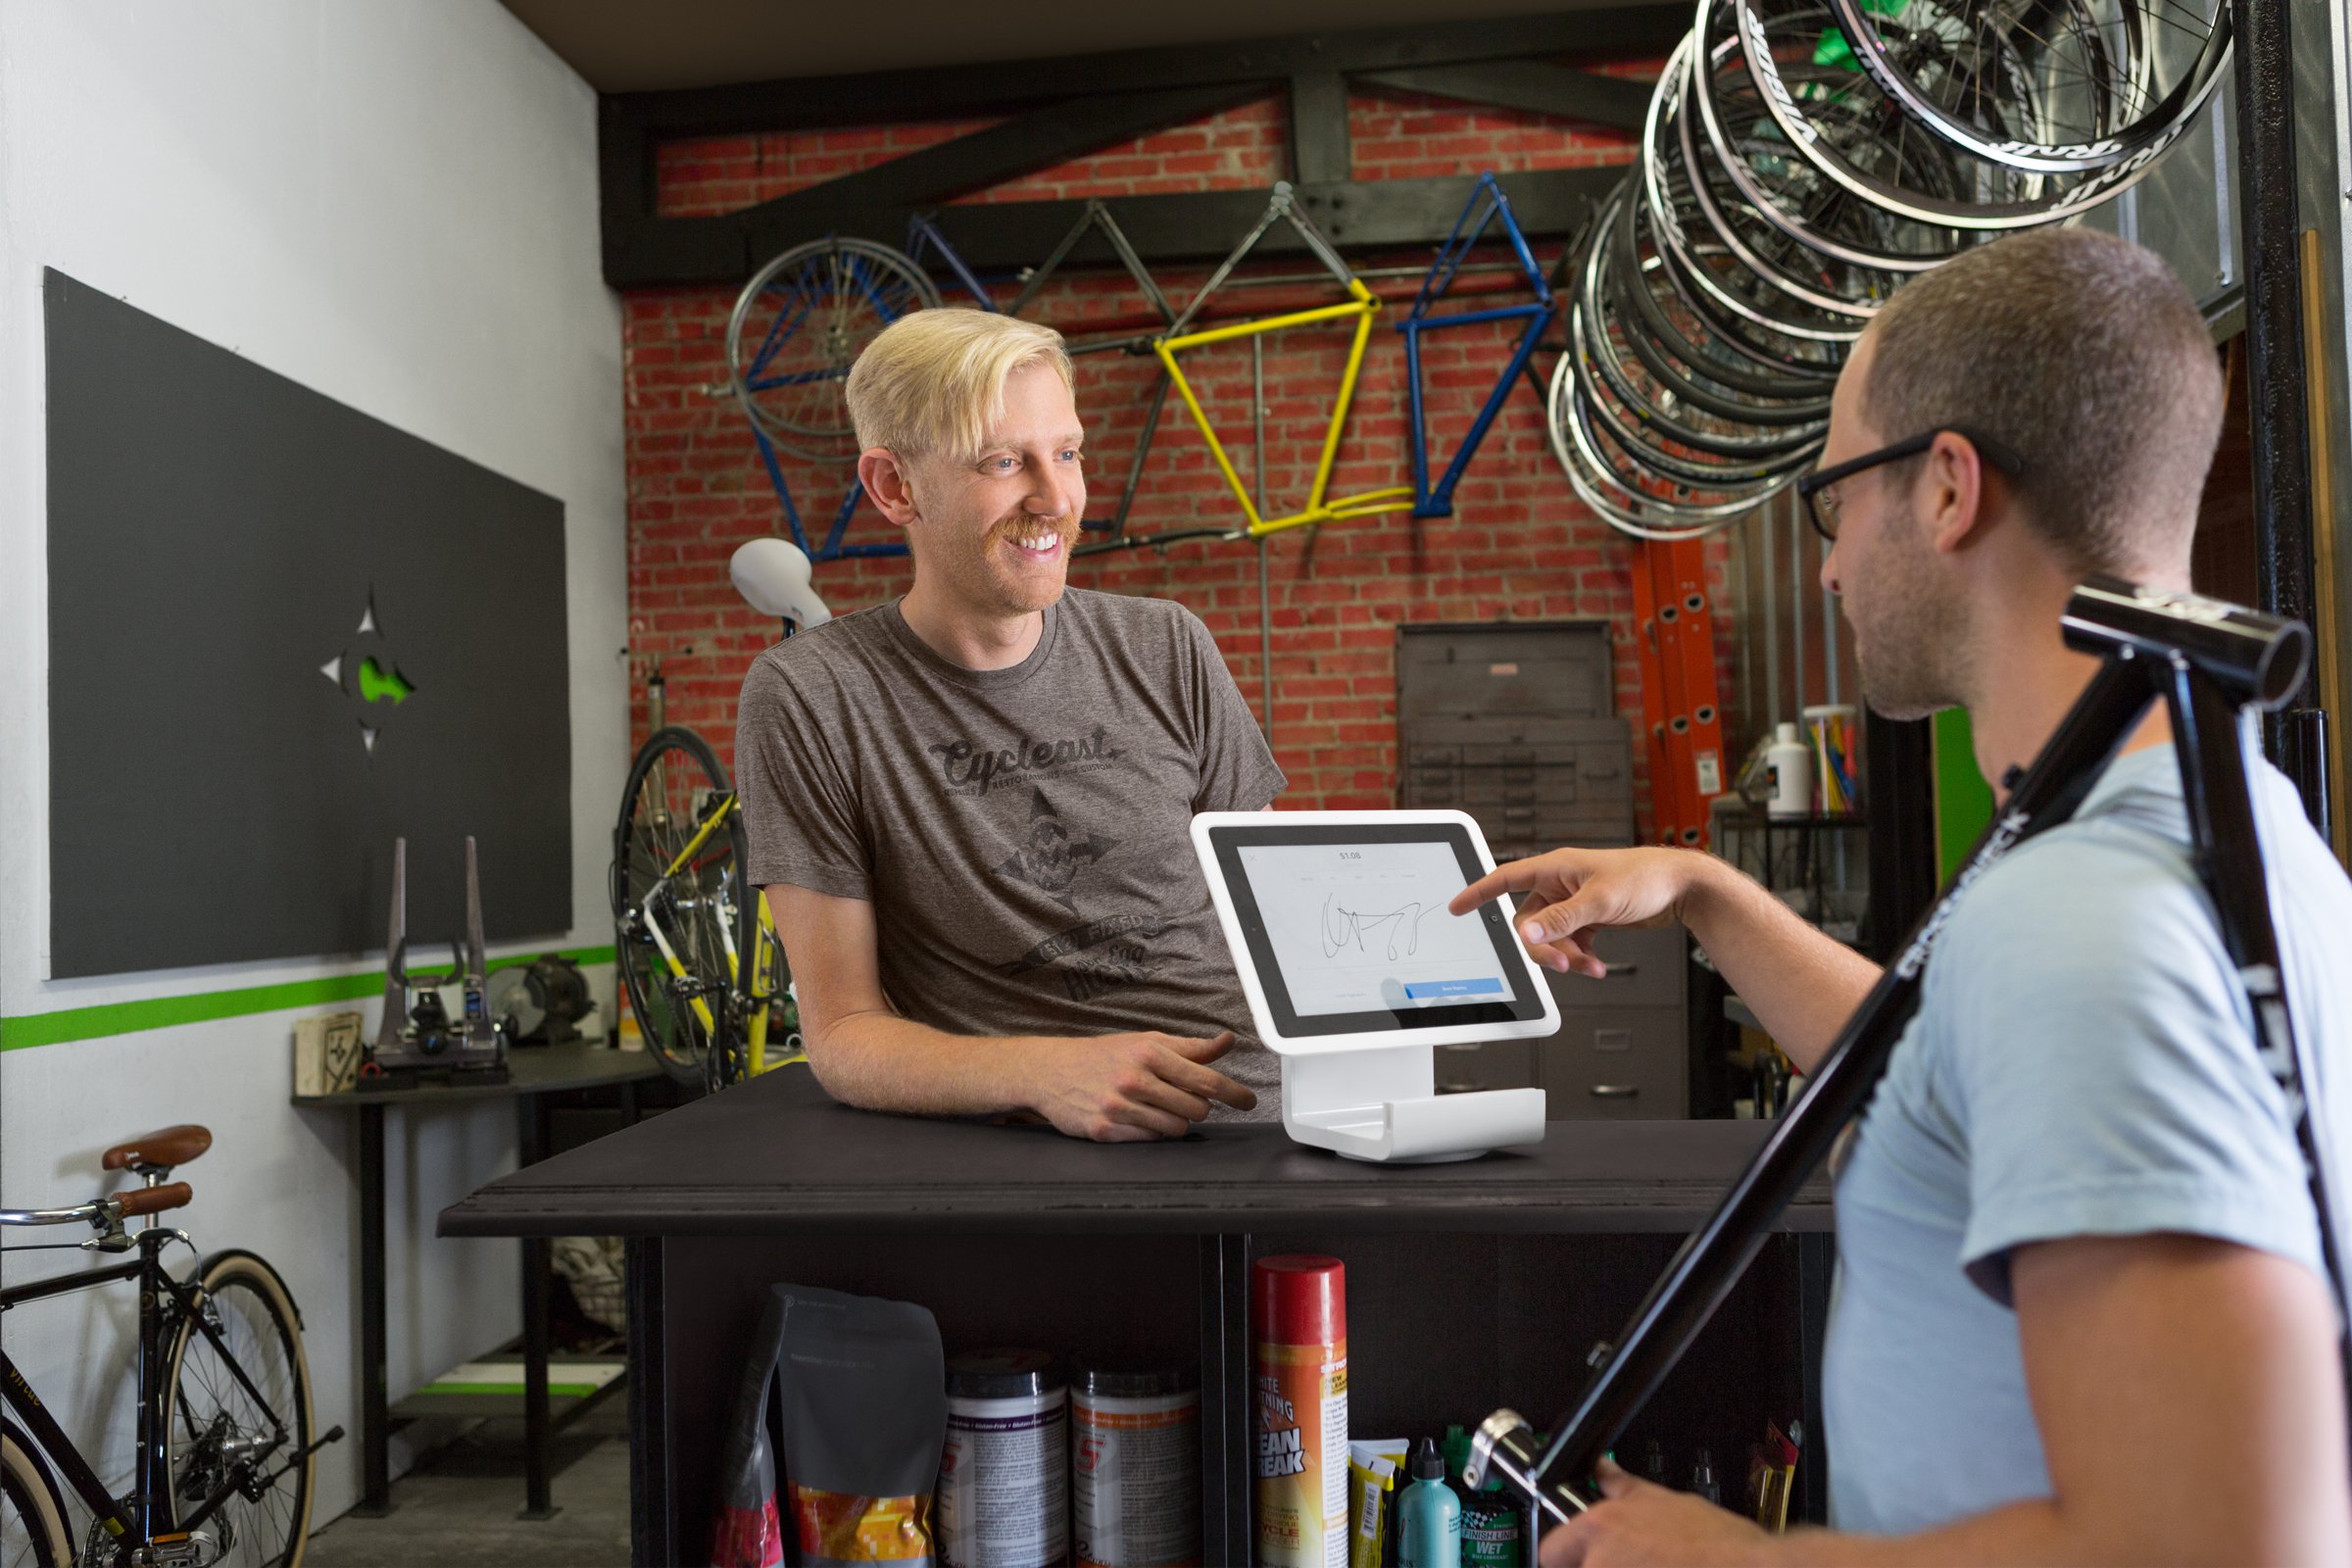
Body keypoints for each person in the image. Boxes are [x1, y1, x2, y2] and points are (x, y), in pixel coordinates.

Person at [1453, 227, 2352, 1564]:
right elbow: (1953, 1072)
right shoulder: (2218, 842)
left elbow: (2232, 1542)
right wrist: (1703, 890)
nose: (1824, 565)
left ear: (1946, 490)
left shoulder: (2083, 925)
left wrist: (1749, 1564)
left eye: (1834, 497)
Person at [734, 309, 1285, 1144]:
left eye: (1067, 453)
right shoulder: (813, 695)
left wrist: (1479, 927)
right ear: (894, 487)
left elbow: (1279, 918)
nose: (1058, 499)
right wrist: (1044, 1072)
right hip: (1037, 1150)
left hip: (1273, 1126)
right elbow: (843, 1035)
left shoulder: (1167, 644)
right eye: (1004, 462)